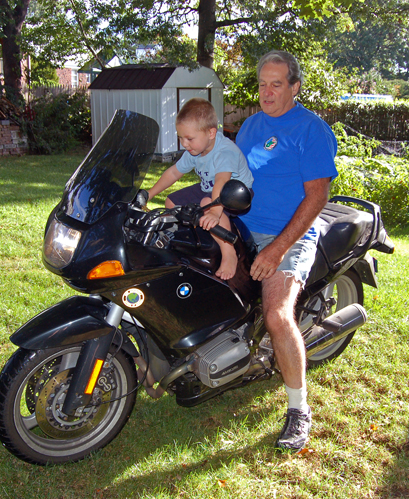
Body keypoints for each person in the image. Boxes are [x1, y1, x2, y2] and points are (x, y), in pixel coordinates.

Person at [235, 50, 338, 452]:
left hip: (290, 235)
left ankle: (299, 409)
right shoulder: (248, 127)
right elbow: (232, 178)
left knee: (278, 315)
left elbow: (317, 197)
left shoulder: (311, 130)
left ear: (294, 87)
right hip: (244, 227)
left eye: (277, 83)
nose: (267, 91)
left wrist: (278, 249)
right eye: (262, 83)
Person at [139, 97, 253, 280]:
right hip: (208, 186)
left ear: (211, 133)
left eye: (189, 138)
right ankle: (185, 237)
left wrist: (215, 212)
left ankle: (228, 251)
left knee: (207, 202)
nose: (184, 144)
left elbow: (222, 183)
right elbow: (174, 173)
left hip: (235, 193)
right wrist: (148, 194)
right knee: (171, 201)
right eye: (181, 138)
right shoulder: (195, 150)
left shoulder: (225, 152)